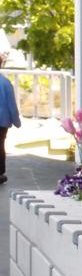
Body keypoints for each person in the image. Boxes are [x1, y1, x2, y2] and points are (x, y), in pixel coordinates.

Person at [0, 53, 21, 184]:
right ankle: (0, 173)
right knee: (0, 146)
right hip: (2, 121)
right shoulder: (5, 83)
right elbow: (11, 105)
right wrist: (16, 121)